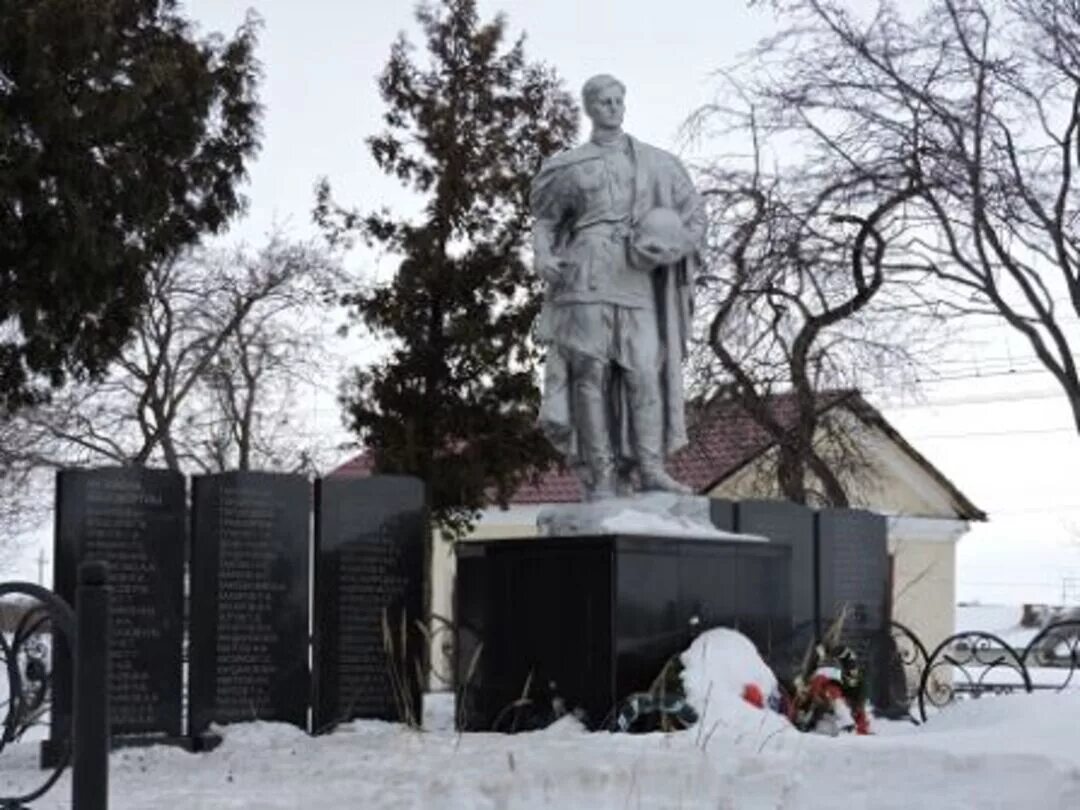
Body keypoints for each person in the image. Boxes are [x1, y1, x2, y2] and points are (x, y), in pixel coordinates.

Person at [531, 74, 705, 501]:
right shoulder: (569, 166)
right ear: (589, 108)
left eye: (618, 100)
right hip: (586, 274)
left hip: (637, 276)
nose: (612, 107)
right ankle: (602, 474)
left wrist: (670, 248)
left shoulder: (658, 163)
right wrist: (542, 255)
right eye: (603, 101)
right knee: (590, 374)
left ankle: (650, 467)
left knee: (645, 371)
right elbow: (545, 219)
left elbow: (693, 216)